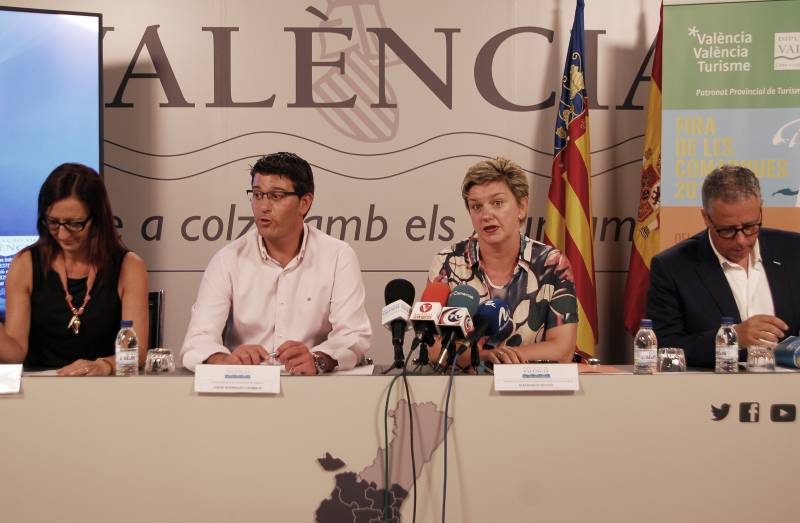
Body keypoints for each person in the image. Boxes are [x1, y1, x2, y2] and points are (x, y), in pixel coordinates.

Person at [180, 152, 371, 374]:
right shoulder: (227, 260)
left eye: (276, 196)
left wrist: (318, 359)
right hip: (245, 388)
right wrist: (224, 359)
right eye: (257, 194)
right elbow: (197, 340)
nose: (263, 207)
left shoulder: (338, 256)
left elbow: (353, 336)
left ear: (304, 203)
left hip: (313, 390)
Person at [0, 163, 149, 375]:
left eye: (74, 223)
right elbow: (15, 352)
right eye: (53, 222)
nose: (62, 234)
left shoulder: (128, 266)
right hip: (39, 394)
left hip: (104, 389)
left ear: (97, 220)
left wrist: (103, 365)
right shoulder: (25, 263)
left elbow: (137, 352)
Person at [647, 164, 800, 367]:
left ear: (760, 207)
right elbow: (663, 347)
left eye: (750, 227)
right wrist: (731, 338)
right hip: (714, 392)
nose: (741, 241)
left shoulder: (793, 250)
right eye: (727, 230)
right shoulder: (672, 267)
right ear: (705, 217)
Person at [428, 157, 578, 365]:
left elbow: (562, 349)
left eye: (497, 203)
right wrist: (482, 357)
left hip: (531, 389)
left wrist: (504, 359)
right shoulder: (448, 263)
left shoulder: (551, 264)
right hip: (462, 390)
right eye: (476, 207)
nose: (486, 215)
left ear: (521, 207)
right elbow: (432, 347)